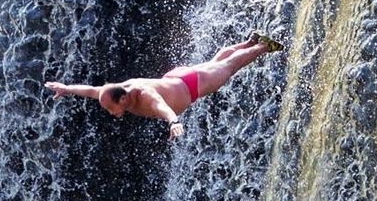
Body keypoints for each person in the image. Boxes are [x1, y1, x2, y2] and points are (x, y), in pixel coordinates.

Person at [44, 34, 281, 142]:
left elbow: (162, 107)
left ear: (123, 100)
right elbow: (91, 90)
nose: (108, 110)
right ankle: (249, 41)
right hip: (176, 79)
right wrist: (66, 88)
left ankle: (262, 46)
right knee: (215, 64)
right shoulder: (115, 91)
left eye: (109, 108)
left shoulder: (145, 95)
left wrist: (173, 122)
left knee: (229, 66)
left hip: (190, 85)